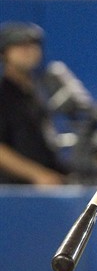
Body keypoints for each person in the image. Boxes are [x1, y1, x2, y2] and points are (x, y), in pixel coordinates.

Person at [0, 22, 68, 185]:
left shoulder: (38, 90)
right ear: (4, 52)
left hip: (45, 185)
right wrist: (37, 174)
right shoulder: (3, 93)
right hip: (14, 192)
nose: (28, 51)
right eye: (20, 46)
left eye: (33, 45)